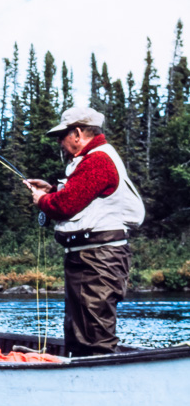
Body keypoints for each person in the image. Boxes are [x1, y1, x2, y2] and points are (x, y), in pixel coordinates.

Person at [25, 107, 145, 357]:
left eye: (63, 135)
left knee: (94, 334)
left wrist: (42, 200)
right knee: (79, 332)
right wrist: (52, 189)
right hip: (88, 257)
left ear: (78, 133)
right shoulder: (91, 160)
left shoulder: (98, 160)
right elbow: (80, 192)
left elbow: (65, 205)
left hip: (98, 259)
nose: (59, 141)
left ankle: (99, 385)